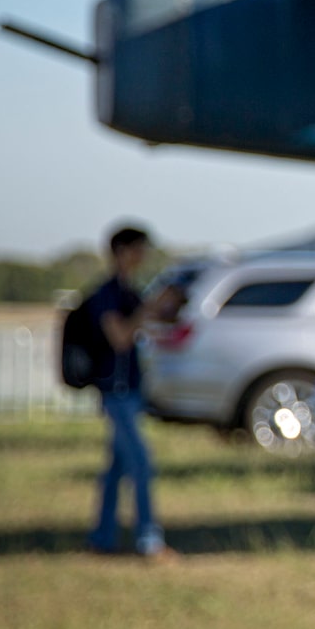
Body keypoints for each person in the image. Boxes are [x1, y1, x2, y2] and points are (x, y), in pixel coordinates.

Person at [82, 225, 174, 559]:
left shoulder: (129, 292)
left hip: (130, 392)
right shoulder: (107, 294)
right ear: (122, 251)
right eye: (139, 249)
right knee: (141, 464)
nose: (143, 256)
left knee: (116, 469)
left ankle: (101, 538)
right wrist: (147, 311)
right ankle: (149, 539)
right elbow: (119, 337)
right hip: (116, 393)